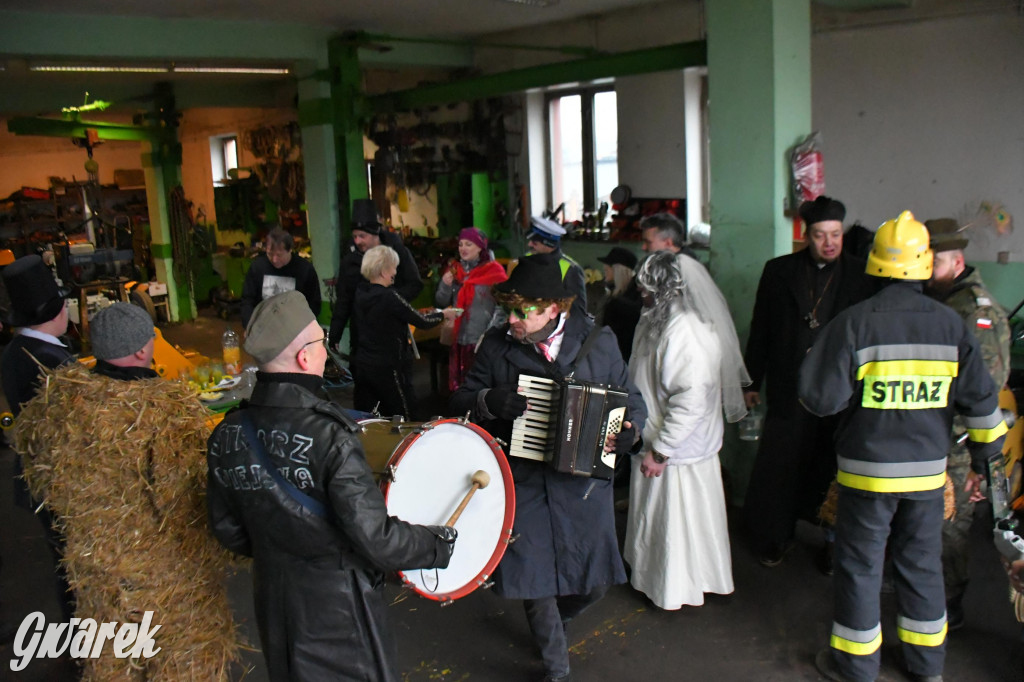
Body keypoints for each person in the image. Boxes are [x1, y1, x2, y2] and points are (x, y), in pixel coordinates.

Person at [207, 290, 457, 681]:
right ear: (305, 357)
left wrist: (285, 549)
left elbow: (226, 528)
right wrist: (436, 544)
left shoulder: (228, 433)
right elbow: (376, 539)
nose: (327, 350)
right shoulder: (331, 437)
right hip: (339, 608)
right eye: (322, 342)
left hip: (274, 598)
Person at [799, 211, 1007, 682]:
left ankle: (856, 667)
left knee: (860, 567)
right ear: (924, 263)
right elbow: (983, 407)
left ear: (874, 263)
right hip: (928, 477)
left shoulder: (854, 323)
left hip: (866, 474)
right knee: (921, 566)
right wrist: (984, 463)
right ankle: (926, 666)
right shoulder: (953, 327)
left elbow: (819, 399)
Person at [15, 302, 239, 679]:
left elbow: (39, 479)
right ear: (141, 350)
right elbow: (183, 500)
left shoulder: (60, 400)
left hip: (95, 574)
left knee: (112, 666)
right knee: (181, 666)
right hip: (165, 581)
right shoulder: (163, 410)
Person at [449, 254, 646, 682]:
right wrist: (488, 401)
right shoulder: (498, 346)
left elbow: (633, 403)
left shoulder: (600, 342)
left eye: (525, 311)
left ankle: (557, 620)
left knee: (594, 583)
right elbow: (461, 398)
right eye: (510, 309)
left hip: (582, 488)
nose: (513, 319)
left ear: (554, 308)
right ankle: (557, 669)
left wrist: (633, 434)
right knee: (535, 581)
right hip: (523, 481)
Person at [742, 195, 873, 572]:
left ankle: (833, 543)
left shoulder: (862, 276)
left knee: (832, 469)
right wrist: (751, 381)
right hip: (789, 388)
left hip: (841, 392)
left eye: (835, 234)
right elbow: (761, 329)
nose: (829, 242)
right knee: (781, 467)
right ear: (806, 235)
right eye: (820, 235)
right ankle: (775, 537)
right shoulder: (779, 271)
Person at [624, 251, 750, 610]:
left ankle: (676, 589)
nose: (641, 295)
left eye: (646, 289)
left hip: (676, 452)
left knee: (677, 525)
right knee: (665, 522)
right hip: (660, 443)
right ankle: (657, 581)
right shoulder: (661, 319)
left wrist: (661, 450)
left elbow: (691, 400)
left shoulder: (687, 333)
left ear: (664, 289)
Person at [924, 217, 1011, 631]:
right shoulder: (943, 301)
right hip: (935, 433)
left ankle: (948, 603)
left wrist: (978, 457)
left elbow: (985, 389)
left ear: (956, 262)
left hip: (957, 440)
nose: (925, 272)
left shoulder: (975, 311)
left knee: (950, 524)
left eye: (933, 264)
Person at [0, 254, 75, 621]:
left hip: (35, 474)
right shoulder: (53, 363)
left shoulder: (14, 352)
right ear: (55, 314)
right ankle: (86, 636)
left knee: (62, 556)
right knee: (76, 561)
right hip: (60, 478)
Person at [353, 245, 457, 419]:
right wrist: (444, 314)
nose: (395, 271)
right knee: (403, 411)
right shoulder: (390, 297)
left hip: (365, 363)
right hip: (389, 365)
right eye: (393, 267)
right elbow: (422, 321)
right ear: (384, 270)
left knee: (372, 414)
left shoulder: (361, 293)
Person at [328, 198, 423, 357]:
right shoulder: (350, 261)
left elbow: (415, 284)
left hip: (392, 333)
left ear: (375, 234)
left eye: (362, 236)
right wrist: (335, 334)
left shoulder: (397, 252)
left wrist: (390, 301)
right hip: (361, 337)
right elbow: (344, 300)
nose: (357, 241)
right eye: (355, 236)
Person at [434, 227, 508, 391]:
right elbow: (441, 301)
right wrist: (445, 286)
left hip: (481, 340)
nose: (463, 248)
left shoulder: (494, 272)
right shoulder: (455, 271)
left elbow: (503, 308)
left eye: (469, 244)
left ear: (481, 247)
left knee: (480, 384)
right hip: (459, 339)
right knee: (461, 386)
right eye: (460, 244)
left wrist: (488, 336)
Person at [240, 227, 321, 327]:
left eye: (279, 255)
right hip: (263, 329)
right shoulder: (257, 268)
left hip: (294, 330)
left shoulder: (304, 269)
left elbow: (314, 303)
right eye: (270, 254)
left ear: (290, 250)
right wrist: (248, 326)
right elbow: (247, 300)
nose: (274, 260)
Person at [526, 216, 587, 311]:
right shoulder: (526, 260)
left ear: (548, 244)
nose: (529, 244)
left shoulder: (571, 270)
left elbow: (578, 312)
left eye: (534, 242)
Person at [595, 246, 642, 363]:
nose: (604, 274)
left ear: (617, 270)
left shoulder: (628, 299)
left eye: (607, 270)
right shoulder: (616, 293)